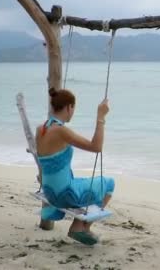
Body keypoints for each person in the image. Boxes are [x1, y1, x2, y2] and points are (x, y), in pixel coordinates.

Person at [35, 87, 114, 245]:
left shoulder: (41, 129)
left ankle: (81, 227)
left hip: (50, 192)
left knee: (82, 181)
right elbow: (96, 147)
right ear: (69, 107)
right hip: (63, 195)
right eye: (73, 109)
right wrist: (100, 117)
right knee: (109, 183)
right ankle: (80, 226)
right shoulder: (61, 131)